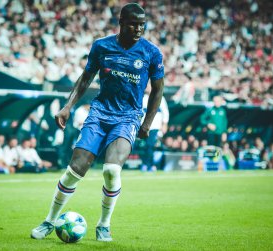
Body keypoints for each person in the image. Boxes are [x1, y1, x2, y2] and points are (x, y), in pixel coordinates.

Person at [31, 3, 164, 242]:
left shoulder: (151, 52)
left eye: (142, 24)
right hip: (100, 113)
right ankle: (49, 220)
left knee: (112, 170)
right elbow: (85, 78)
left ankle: (104, 224)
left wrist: (147, 122)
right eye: (134, 23)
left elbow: (157, 90)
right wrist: (67, 106)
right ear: (121, 22)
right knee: (75, 170)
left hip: (128, 116)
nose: (138, 29)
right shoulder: (102, 46)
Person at [140, 84, 169, 171]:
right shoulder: (143, 98)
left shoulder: (160, 98)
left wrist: (164, 125)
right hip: (143, 127)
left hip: (155, 126)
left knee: (150, 145)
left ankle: (149, 165)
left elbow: (165, 113)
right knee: (145, 146)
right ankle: (148, 164)